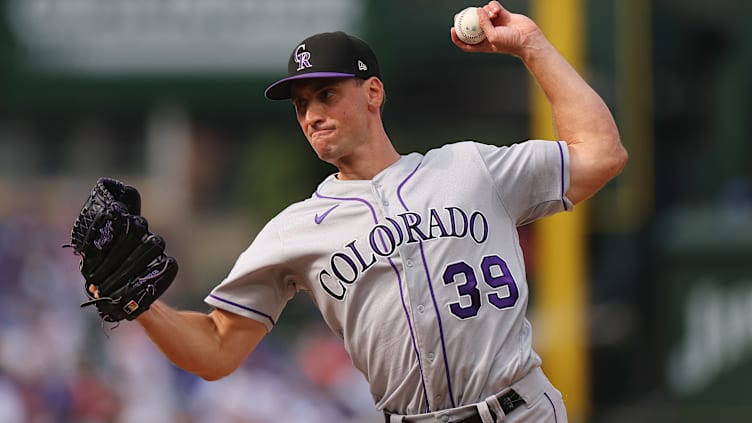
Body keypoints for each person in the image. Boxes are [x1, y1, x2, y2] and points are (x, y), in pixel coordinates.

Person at [136, 2, 627, 422]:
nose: (311, 115)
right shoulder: (294, 231)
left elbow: (601, 154)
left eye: (327, 95)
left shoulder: (471, 167)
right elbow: (218, 348)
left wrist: (532, 45)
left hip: (521, 409)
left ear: (373, 92)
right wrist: (141, 306)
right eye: (301, 104)